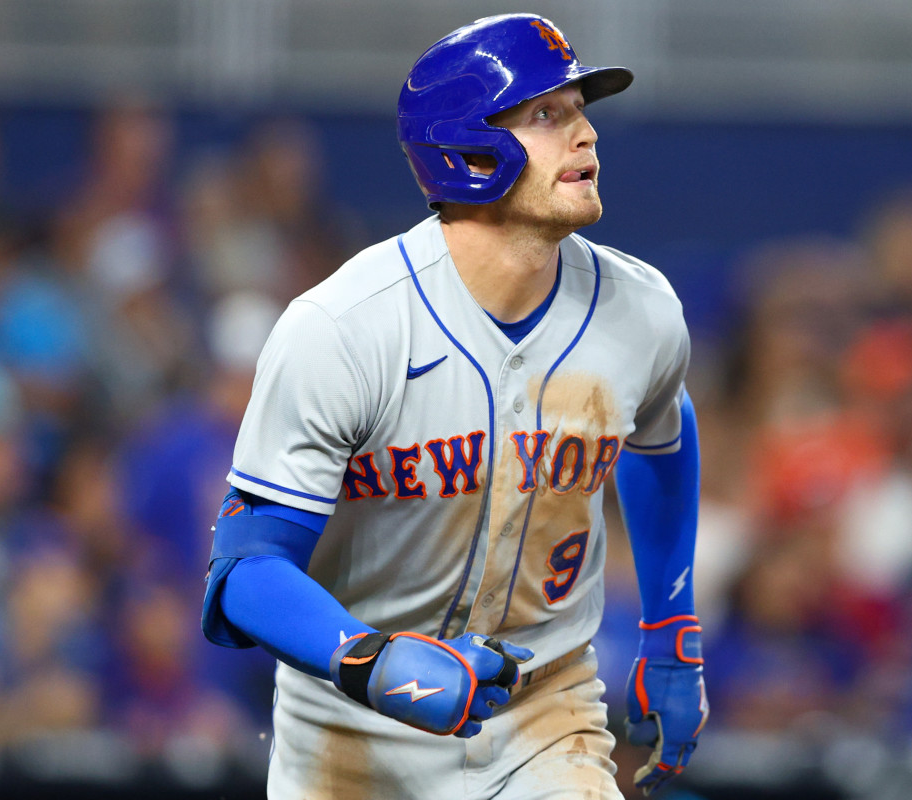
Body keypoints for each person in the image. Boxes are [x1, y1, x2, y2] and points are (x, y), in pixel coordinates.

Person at [199, 13, 707, 800]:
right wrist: (372, 660)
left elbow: (663, 436)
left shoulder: (641, 311)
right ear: (468, 153)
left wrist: (671, 625)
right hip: (352, 731)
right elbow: (244, 570)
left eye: (580, 110)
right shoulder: (345, 327)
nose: (586, 135)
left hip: (545, 714)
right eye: (547, 114)